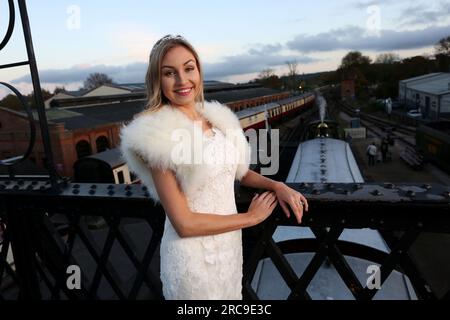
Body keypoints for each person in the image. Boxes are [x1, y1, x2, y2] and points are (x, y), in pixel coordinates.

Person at [119, 35, 309, 300]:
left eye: (188, 68)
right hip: (192, 258)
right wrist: (251, 218)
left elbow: (237, 171)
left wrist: (277, 185)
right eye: (169, 73)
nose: (182, 81)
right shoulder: (156, 136)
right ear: (157, 80)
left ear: (199, 70)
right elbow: (184, 223)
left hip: (228, 247)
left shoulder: (217, 119)